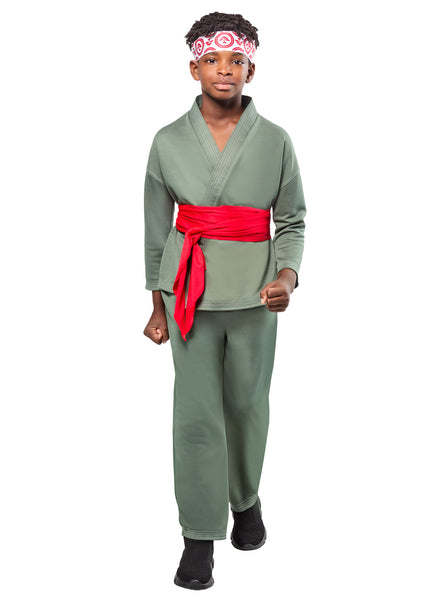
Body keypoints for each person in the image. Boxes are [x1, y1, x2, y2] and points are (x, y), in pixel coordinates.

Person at [143, 11, 307, 590]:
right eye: (212, 59)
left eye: (236, 60)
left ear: (250, 70)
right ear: (194, 68)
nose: (224, 70)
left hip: (256, 297)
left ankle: (246, 499)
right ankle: (198, 536)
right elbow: (156, 229)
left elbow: (291, 220)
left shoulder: (275, 140)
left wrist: (286, 278)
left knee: (248, 406)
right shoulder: (167, 141)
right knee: (195, 416)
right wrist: (156, 304)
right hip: (187, 295)